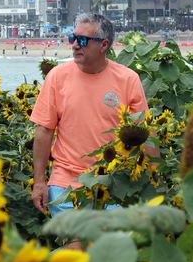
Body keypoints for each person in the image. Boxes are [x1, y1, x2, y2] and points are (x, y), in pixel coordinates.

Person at [30, 13, 148, 216]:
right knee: (75, 246)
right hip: (66, 185)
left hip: (114, 185)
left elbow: (146, 135)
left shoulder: (128, 80)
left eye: (82, 40)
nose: (75, 45)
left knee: (107, 248)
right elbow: (44, 131)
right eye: (72, 38)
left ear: (103, 45)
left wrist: (151, 184)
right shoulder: (57, 77)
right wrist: (39, 182)